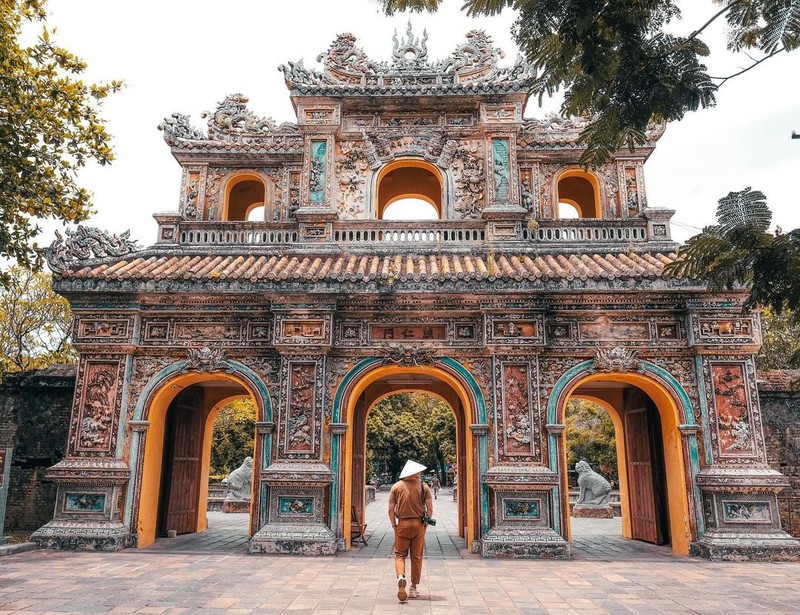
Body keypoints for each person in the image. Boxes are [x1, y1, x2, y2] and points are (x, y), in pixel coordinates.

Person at [388, 459, 433, 602]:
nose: (420, 473)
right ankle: (413, 588)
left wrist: (394, 525)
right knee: (416, 556)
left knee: (400, 554)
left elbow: (390, 509)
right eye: (419, 471)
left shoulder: (396, 487)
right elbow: (430, 509)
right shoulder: (423, 487)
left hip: (402, 524)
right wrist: (426, 524)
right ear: (414, 473)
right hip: (418, 525)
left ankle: (401, 576)